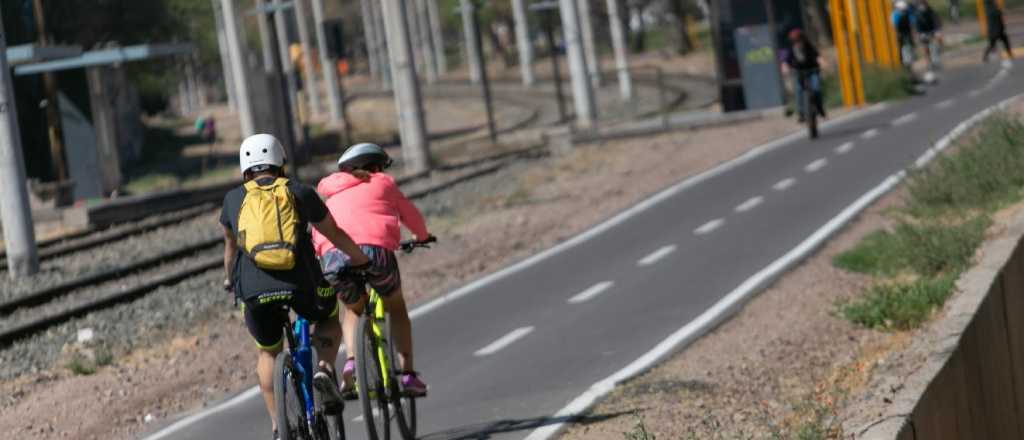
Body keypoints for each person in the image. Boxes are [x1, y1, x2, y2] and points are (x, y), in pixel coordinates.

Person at [221, 134, 370, 440]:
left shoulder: (232, 200)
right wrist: (359, 259)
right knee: (329, 317)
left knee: (268, 353)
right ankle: (324, 369)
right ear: (280, 162)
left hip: (254, 289)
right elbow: (334, 232)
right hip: (302, 283)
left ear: (245, 168)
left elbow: (230, 250)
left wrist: (229, 280)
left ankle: (278, 426)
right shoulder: (299, 191)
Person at [312, 143, 433, 397]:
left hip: (334, 256)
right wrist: (422, 236)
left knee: (352, 309)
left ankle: (351, 364)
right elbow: (410, 215)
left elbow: (319, 230)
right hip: (374, 253)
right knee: (396, 306)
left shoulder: (331, 194)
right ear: (376, 166)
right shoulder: (383, 183)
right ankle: (408, 375)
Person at [781, 28, 826, 123]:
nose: (797, 42)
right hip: (799, 73)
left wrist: (822, 62)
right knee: (798, 91)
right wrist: (785, 67)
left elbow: (817, 56)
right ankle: (801, 113)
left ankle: (820, 109)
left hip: (812, 71)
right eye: (795, 41)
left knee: (816, 89)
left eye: (799, 39)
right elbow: (786, 61)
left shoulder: (808, 46)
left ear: (803, 39)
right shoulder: (791, 49)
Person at [914, 0, 942, 70]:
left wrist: (937, 31)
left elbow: (936, 21)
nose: (922, 6)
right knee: (926, 49)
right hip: (922, 33)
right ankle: (929, 63)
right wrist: (919, 34)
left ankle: (935, 62)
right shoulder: (917, 13)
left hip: (931, 32)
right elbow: (916, 25)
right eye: (920, 4)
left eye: (923, 3)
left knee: (934, 47)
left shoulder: (930, 11)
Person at [893, 1, 917, 67]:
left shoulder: (908, 14)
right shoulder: (896, 15)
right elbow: (895, 25)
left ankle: (910, 61)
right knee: (902, 48)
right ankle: (904, 62)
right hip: (901, 34)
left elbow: (912, 23)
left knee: (910, 47)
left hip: (907, 33)